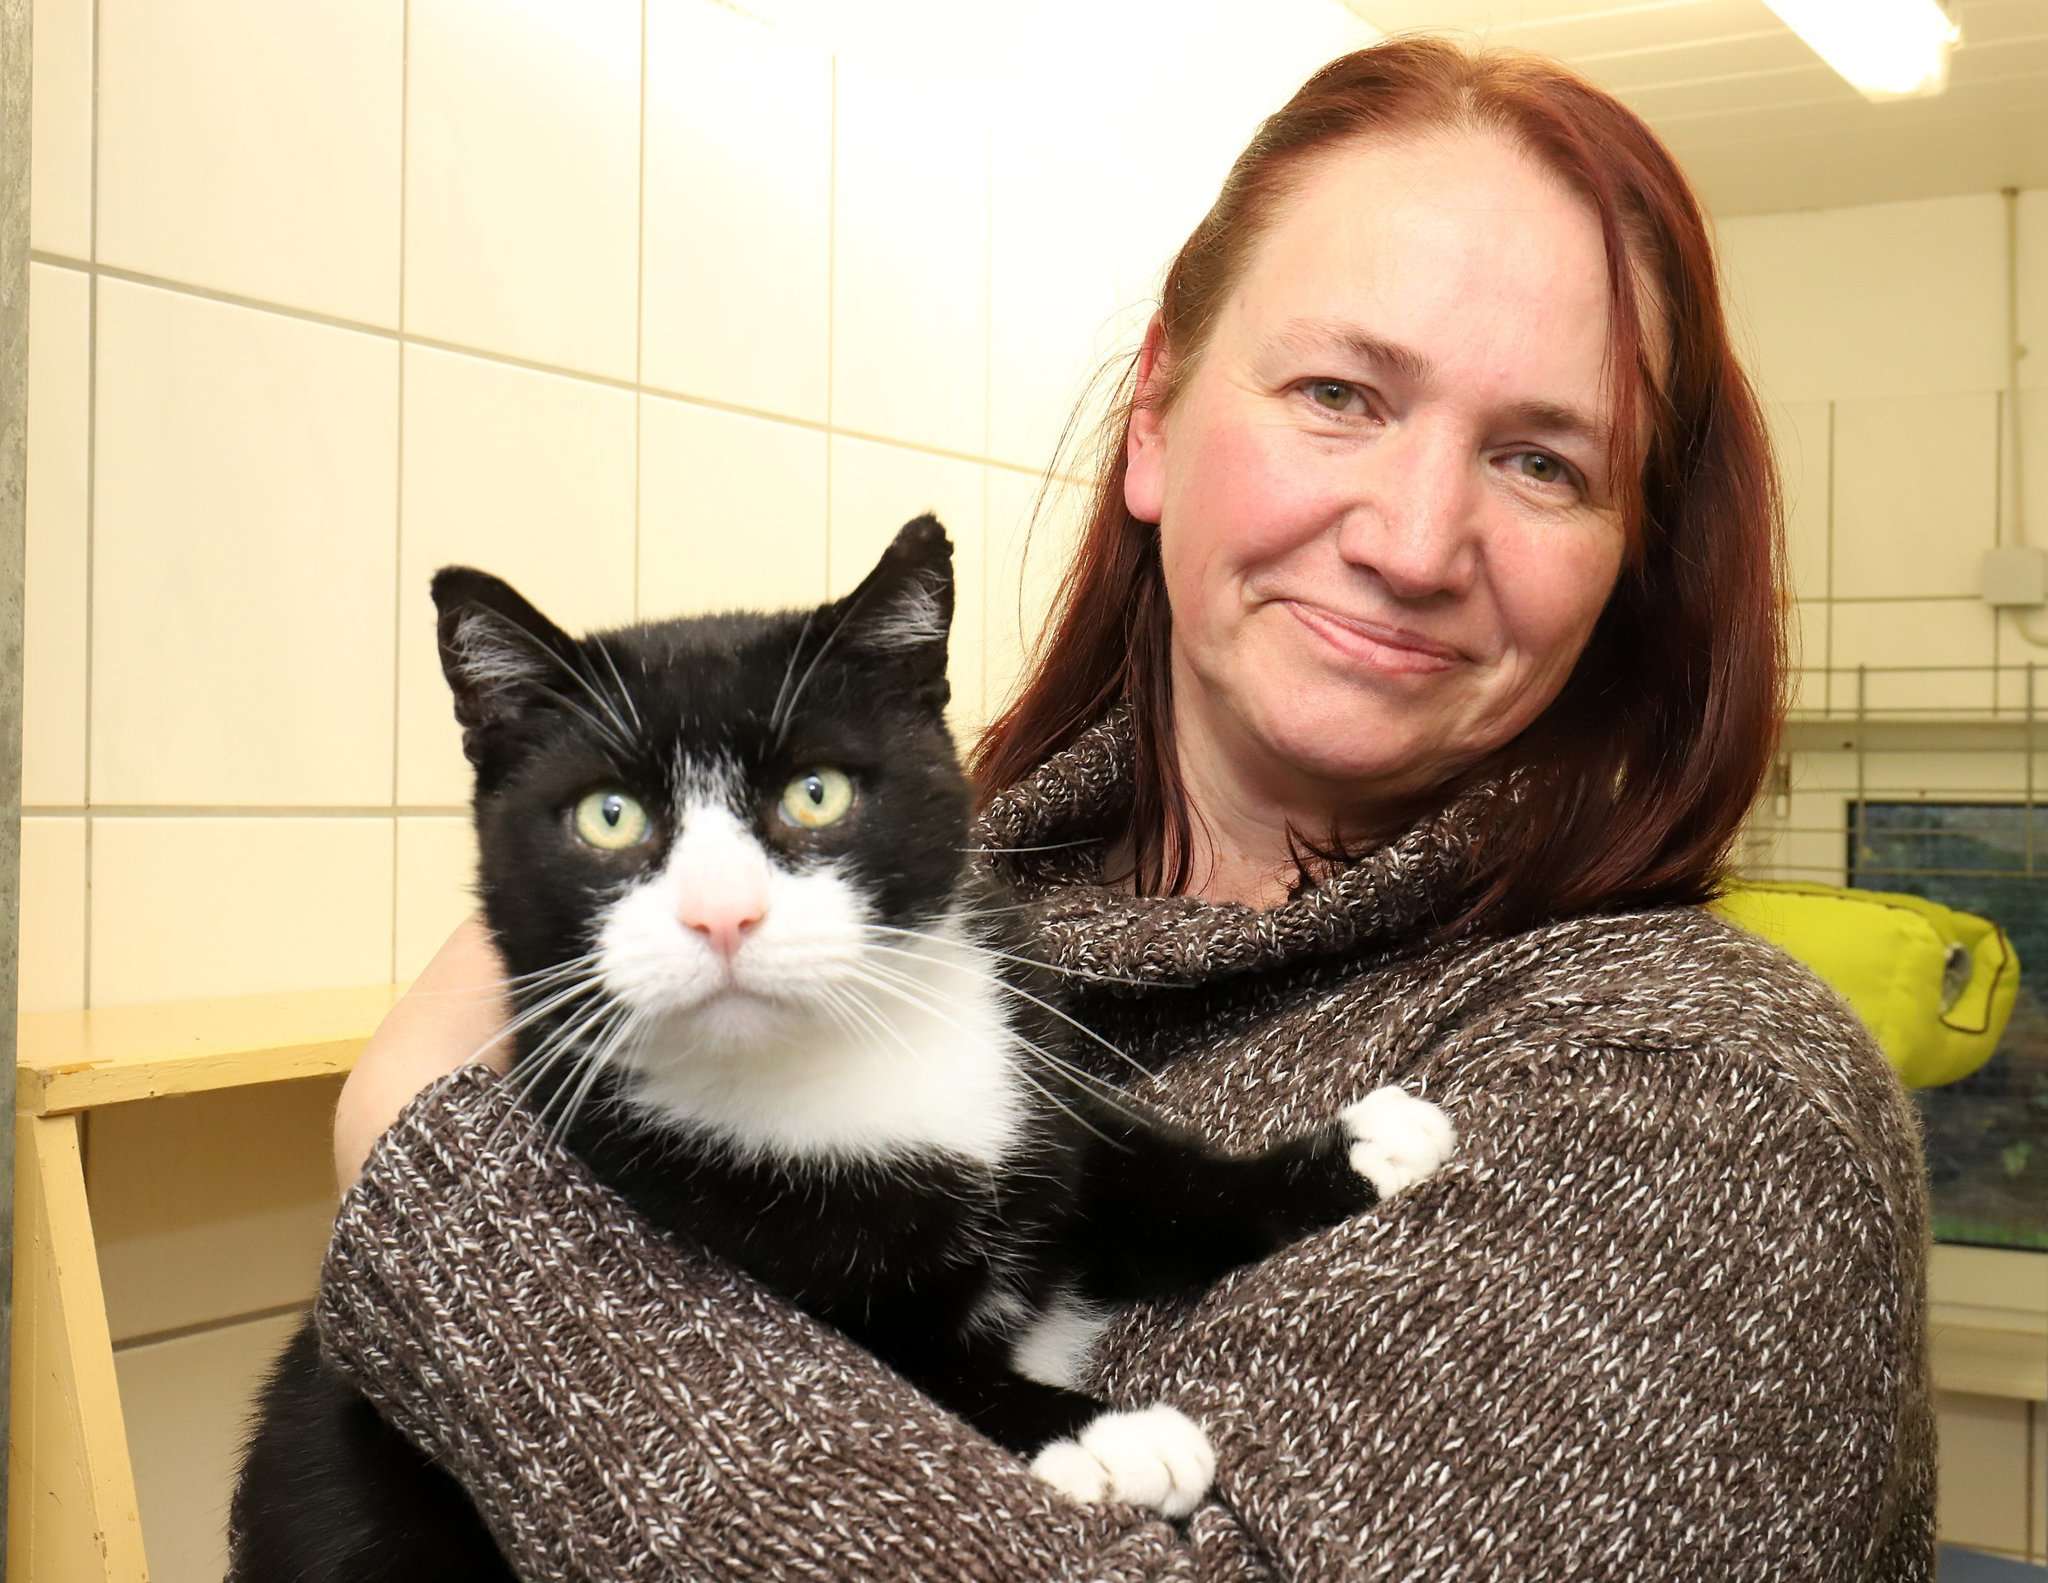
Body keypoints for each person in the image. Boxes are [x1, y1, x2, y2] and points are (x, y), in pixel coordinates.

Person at [322, 36, 1933, 1580]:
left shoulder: (1697, 1085)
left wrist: (438, 1185)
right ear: (1154, 417)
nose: (1417, 537)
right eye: (1339, 394)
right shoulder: (930, 925)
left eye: (1541, 462)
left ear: (1627, 563)